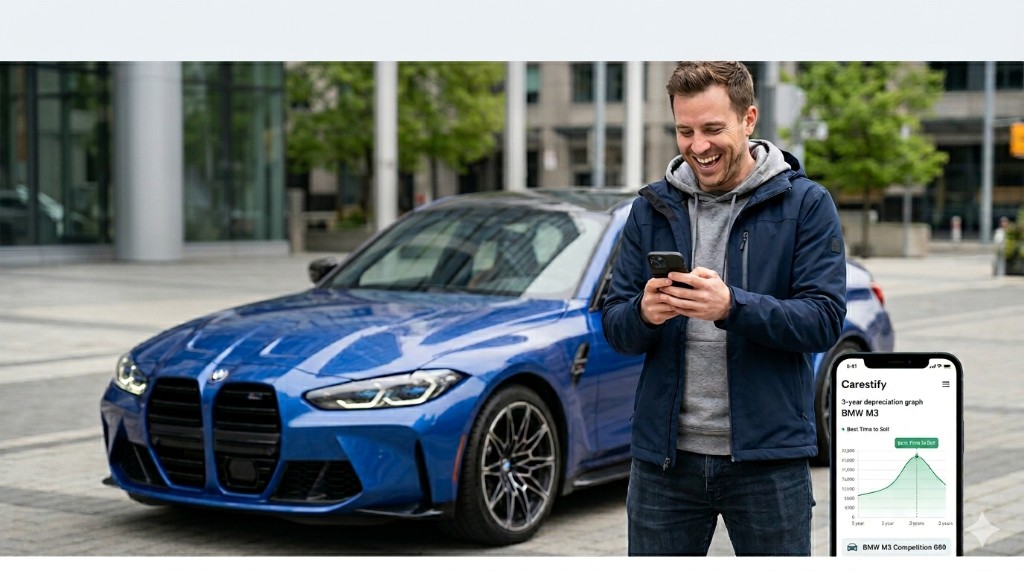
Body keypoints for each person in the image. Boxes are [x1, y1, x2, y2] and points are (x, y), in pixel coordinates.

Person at [601, 61, 847, 556]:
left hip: (768, 459)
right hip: (664, 462)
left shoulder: (805, 204)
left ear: (748, 119)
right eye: (685, 131)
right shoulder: (650, 208)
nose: (698, 146)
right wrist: (644, 314)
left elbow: (823, 320)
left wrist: (733, 306)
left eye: (713, 129)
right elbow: (615, 324)